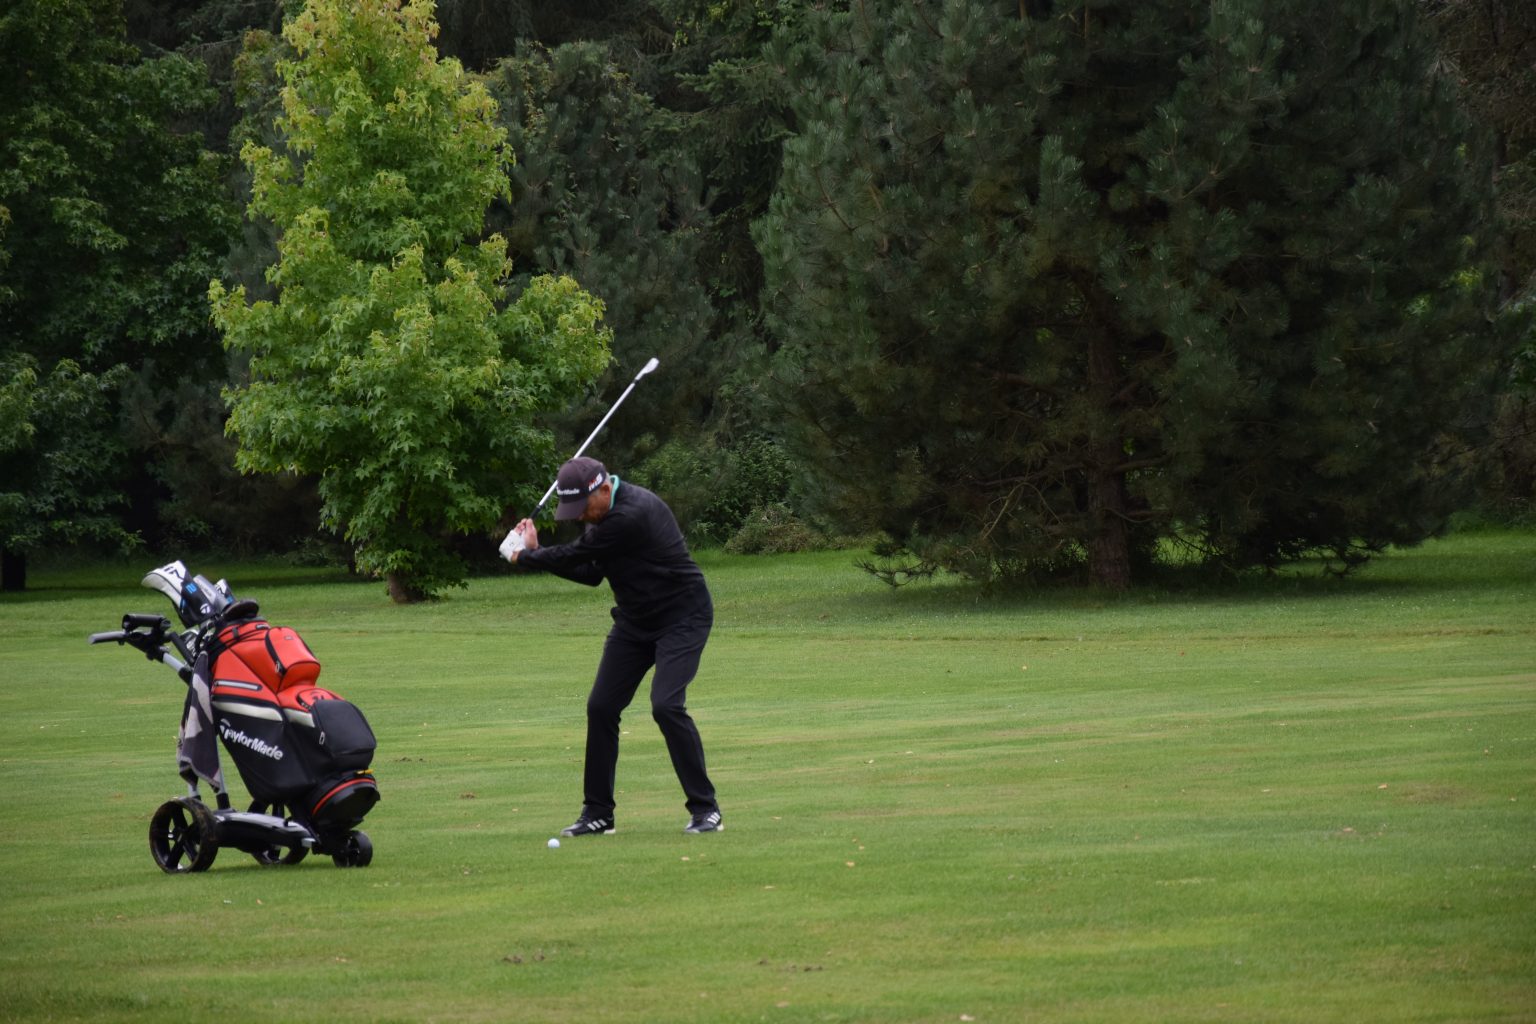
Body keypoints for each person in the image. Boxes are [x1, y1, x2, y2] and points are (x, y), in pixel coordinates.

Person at [506, 456, 722, 836]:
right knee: (601, 707)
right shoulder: (602, 516)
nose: (579, 516)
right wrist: (535, 552)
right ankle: (598, 813)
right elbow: (591, 573)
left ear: (604, 489)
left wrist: (526, 556)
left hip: (682, 617)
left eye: (582, 507)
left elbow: (575, 554)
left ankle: (706, 809)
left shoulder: (630, 515)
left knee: (666, 706)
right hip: (635, 622)